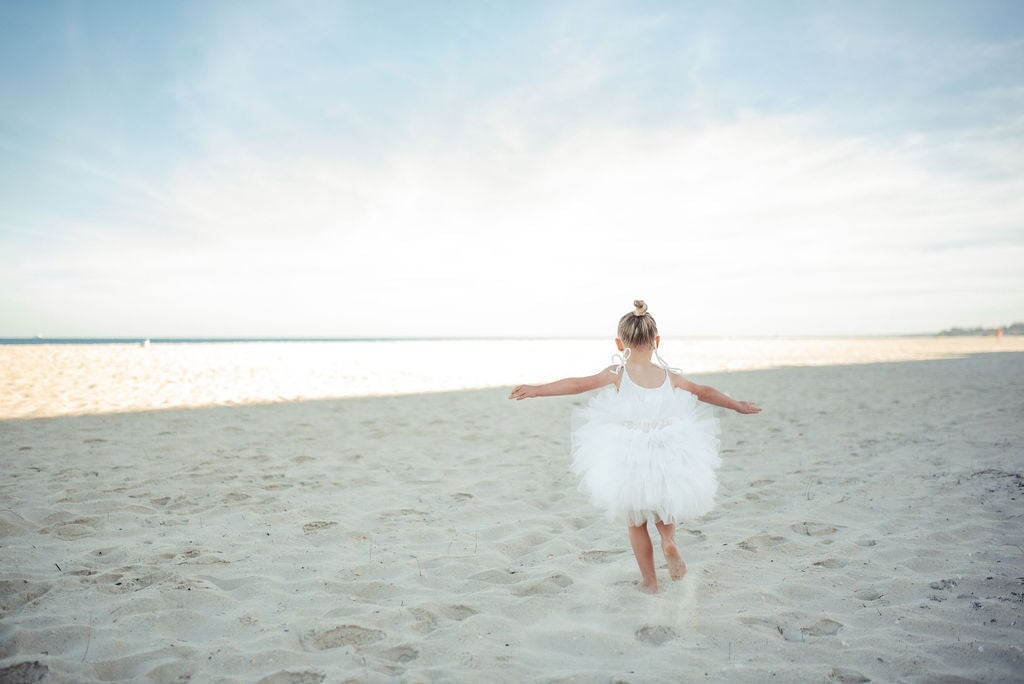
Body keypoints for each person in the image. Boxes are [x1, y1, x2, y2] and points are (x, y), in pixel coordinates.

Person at [509, 300, 761, 593]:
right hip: (669, 447)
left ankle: (650, 581)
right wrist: (738, 405)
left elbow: (578, 384)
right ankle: (669, 541)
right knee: (666, 507)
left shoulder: (617, 372)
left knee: (636, 521)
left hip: (629, 452)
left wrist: (537, 390)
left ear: (619, 343)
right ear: (656, 341)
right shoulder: (670, 376)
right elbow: (704, 392)